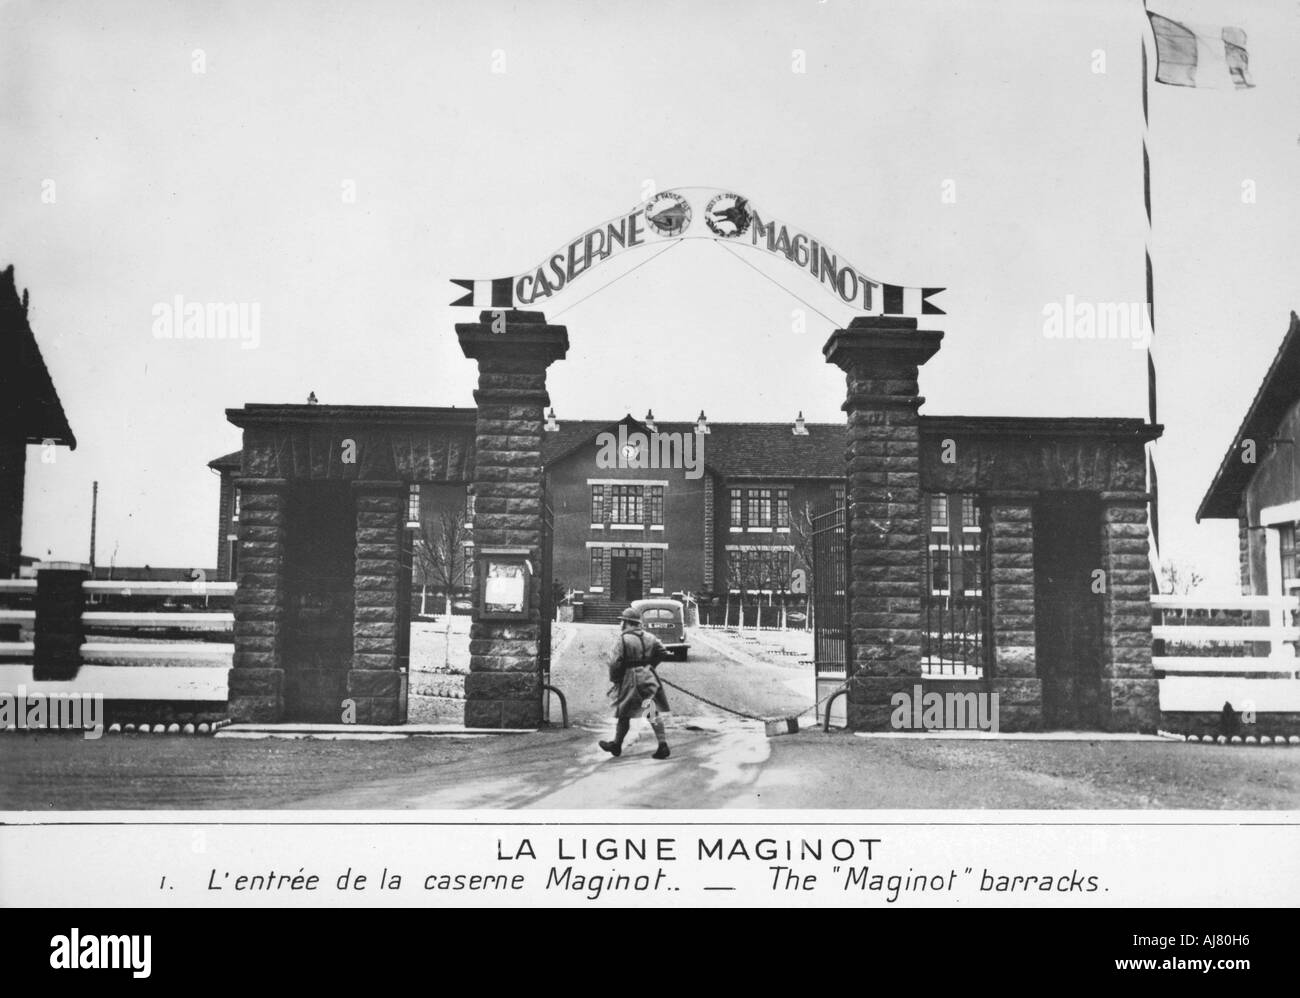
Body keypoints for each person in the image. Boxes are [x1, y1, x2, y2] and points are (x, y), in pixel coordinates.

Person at [599, 606, 671, 760]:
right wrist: (650, 665)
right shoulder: (651, 637)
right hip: (648, 676)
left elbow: (614, 663)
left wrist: (616, 679)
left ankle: (617, 745)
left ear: (627, 622)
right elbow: (663, 652)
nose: (621, 625)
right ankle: (662, 744)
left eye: (623, 621)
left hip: (631, 679)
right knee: (651, 710)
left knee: (624, 712)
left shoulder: (623, 639)